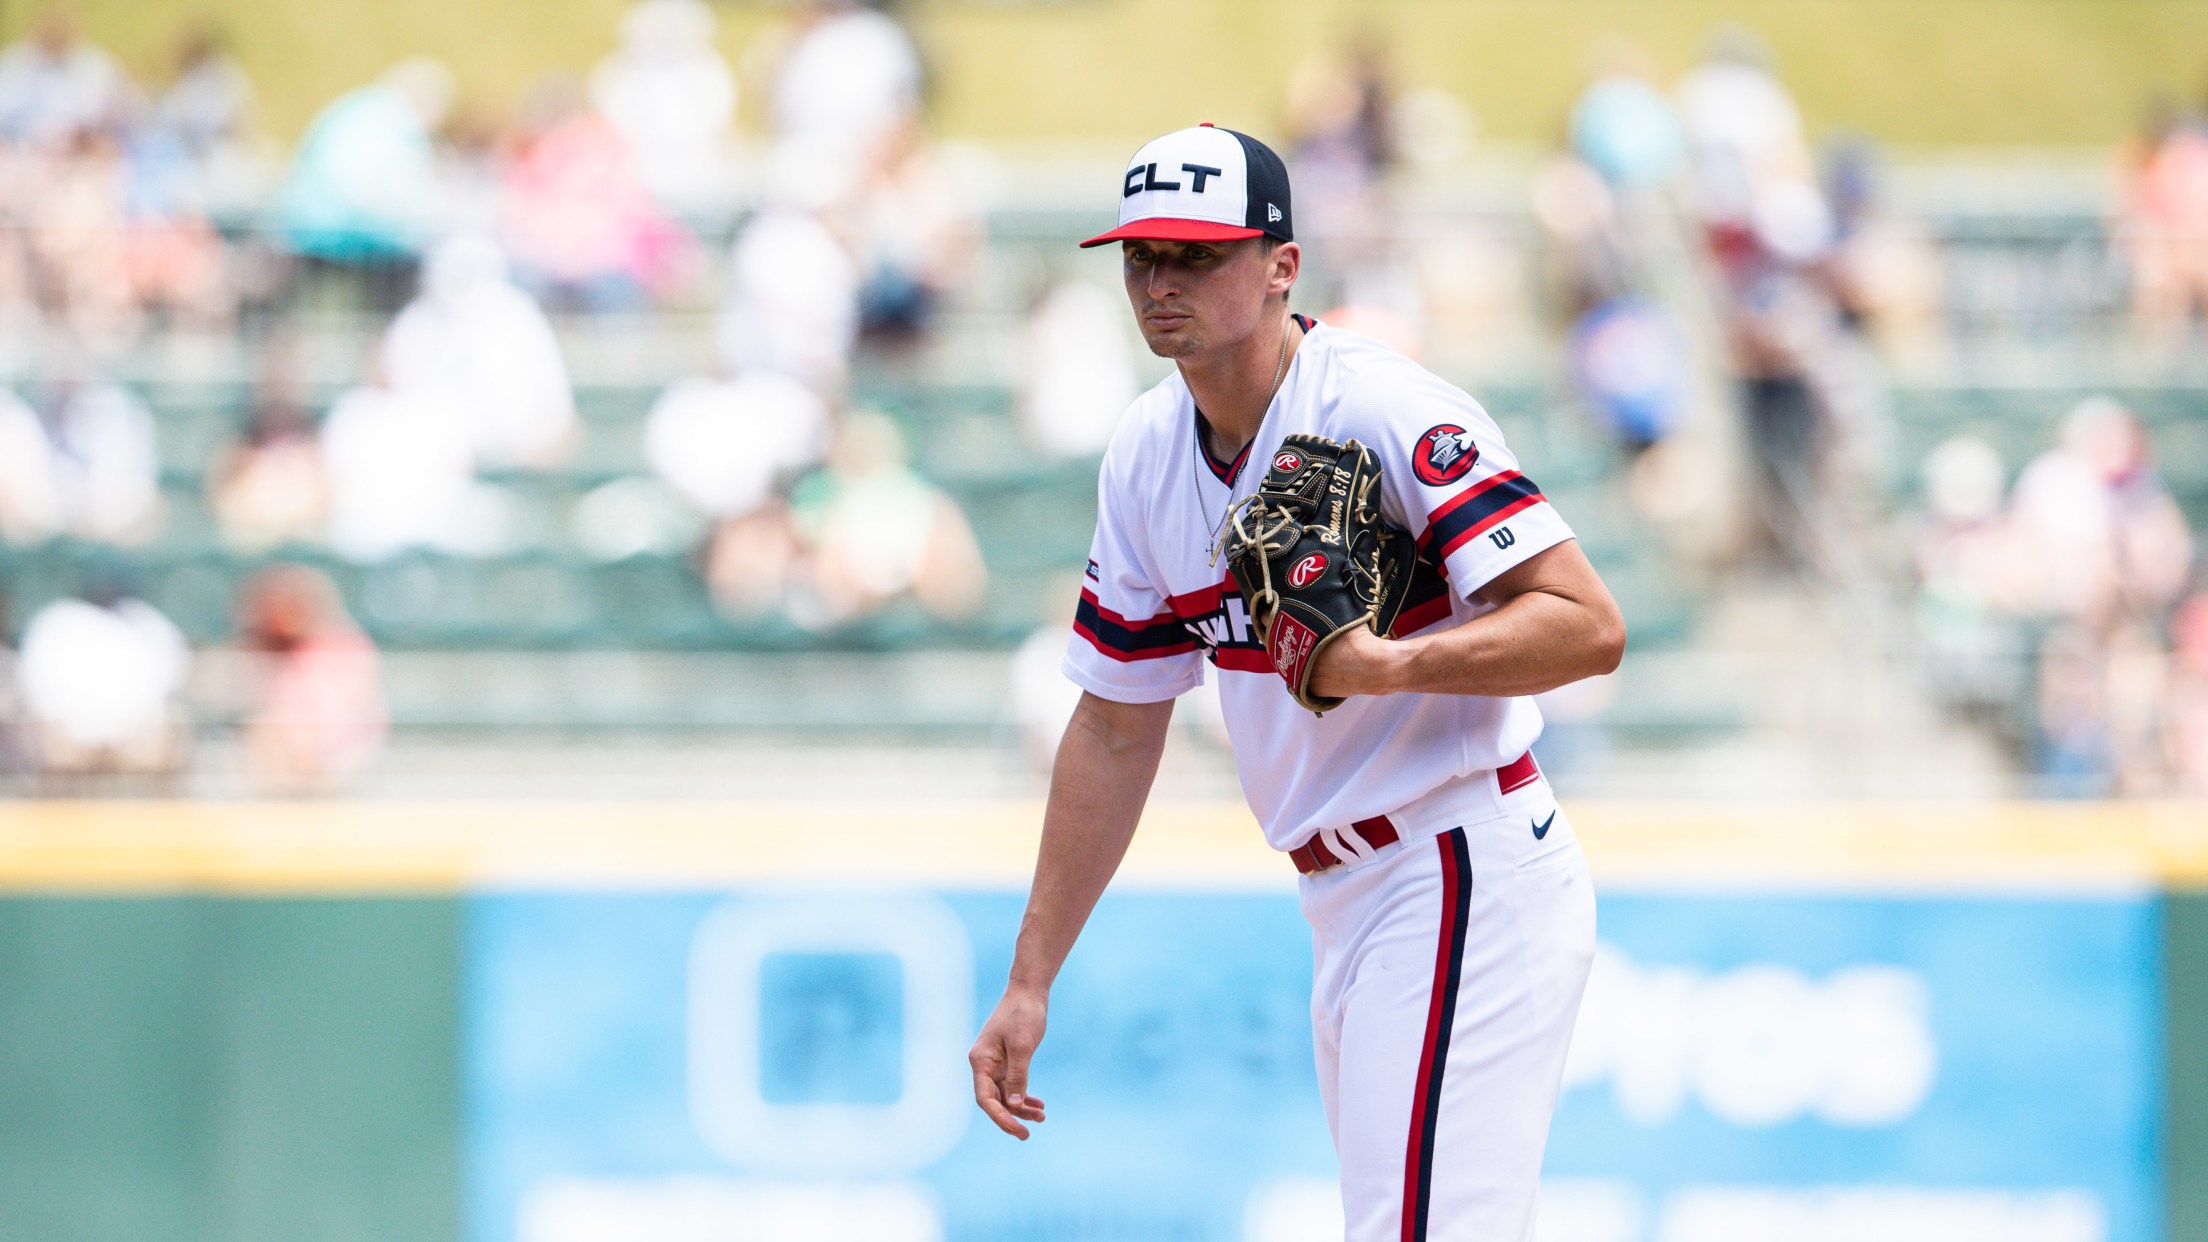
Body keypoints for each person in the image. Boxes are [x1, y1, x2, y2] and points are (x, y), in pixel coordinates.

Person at [967, 125, 1624, 1241]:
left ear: (1282, 265)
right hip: (1342, 894)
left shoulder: (1381, 406)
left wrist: (1393, 664)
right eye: (1142, 257)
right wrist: (1031, 978)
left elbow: (1588, 624)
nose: (1160, 282)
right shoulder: (1145, 453)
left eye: (1197, 255)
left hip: (1456, 856)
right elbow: (1117, 724)